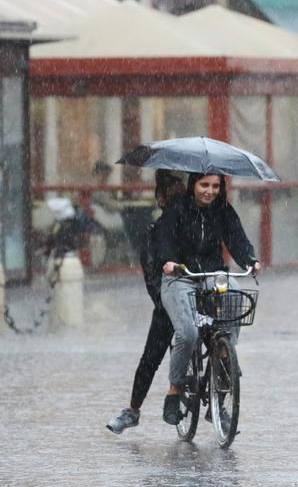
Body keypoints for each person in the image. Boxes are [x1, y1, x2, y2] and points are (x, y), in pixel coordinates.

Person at [157, 173, 261, 425]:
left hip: (212, 274)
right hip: (180, 276)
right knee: (188, 334)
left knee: (234, 296)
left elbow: (237, 239)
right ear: (193, 185)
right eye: (204, 185)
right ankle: (175, 390)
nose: (210, 191)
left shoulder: (223, 210)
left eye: (215, 186)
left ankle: (224, 364)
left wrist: (250, 260)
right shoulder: (177, 208)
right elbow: (163, 240)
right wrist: (169, 261)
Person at [105, 170, 186, 434]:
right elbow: (151, 275)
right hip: (167, 300)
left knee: (212, 339)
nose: (174, 200)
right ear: (161, 198)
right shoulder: (156, 231)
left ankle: (216, 399)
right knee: (152, 355)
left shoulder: (195, 225)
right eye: (169, 194)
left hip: (194, 296)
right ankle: (133, 409)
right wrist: (163, 301)